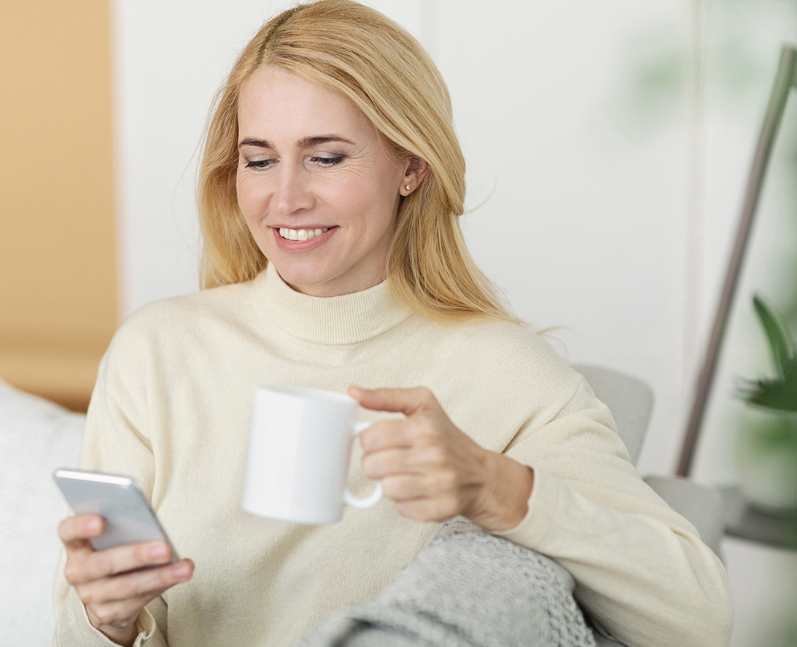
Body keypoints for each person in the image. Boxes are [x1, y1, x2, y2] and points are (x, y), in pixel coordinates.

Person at [53, 2, 733, 646]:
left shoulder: (505, 372)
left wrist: (496, 487)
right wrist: (109, 620)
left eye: (326, 156)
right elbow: (77, 627)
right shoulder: (158, 350)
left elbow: (696, 617)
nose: (285, 196)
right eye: (259, 159)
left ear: (410, 165)